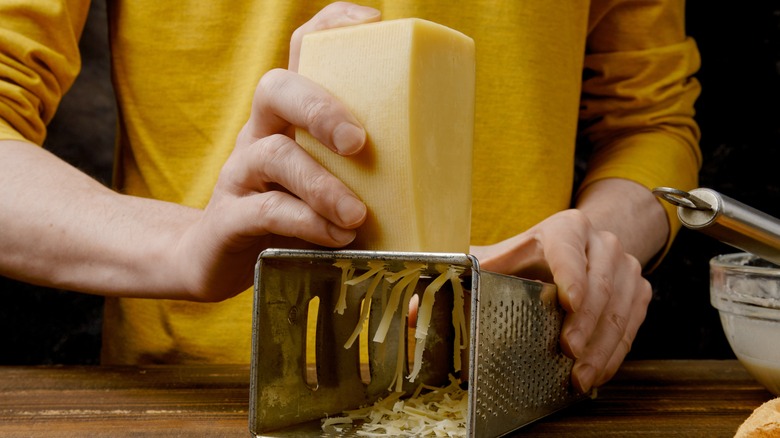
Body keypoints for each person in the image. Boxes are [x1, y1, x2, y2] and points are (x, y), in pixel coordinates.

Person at [0, 1, 701, 393]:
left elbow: (649, 124)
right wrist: (180, 246)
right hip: (204, 399)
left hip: (511, 388)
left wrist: (605, 237)